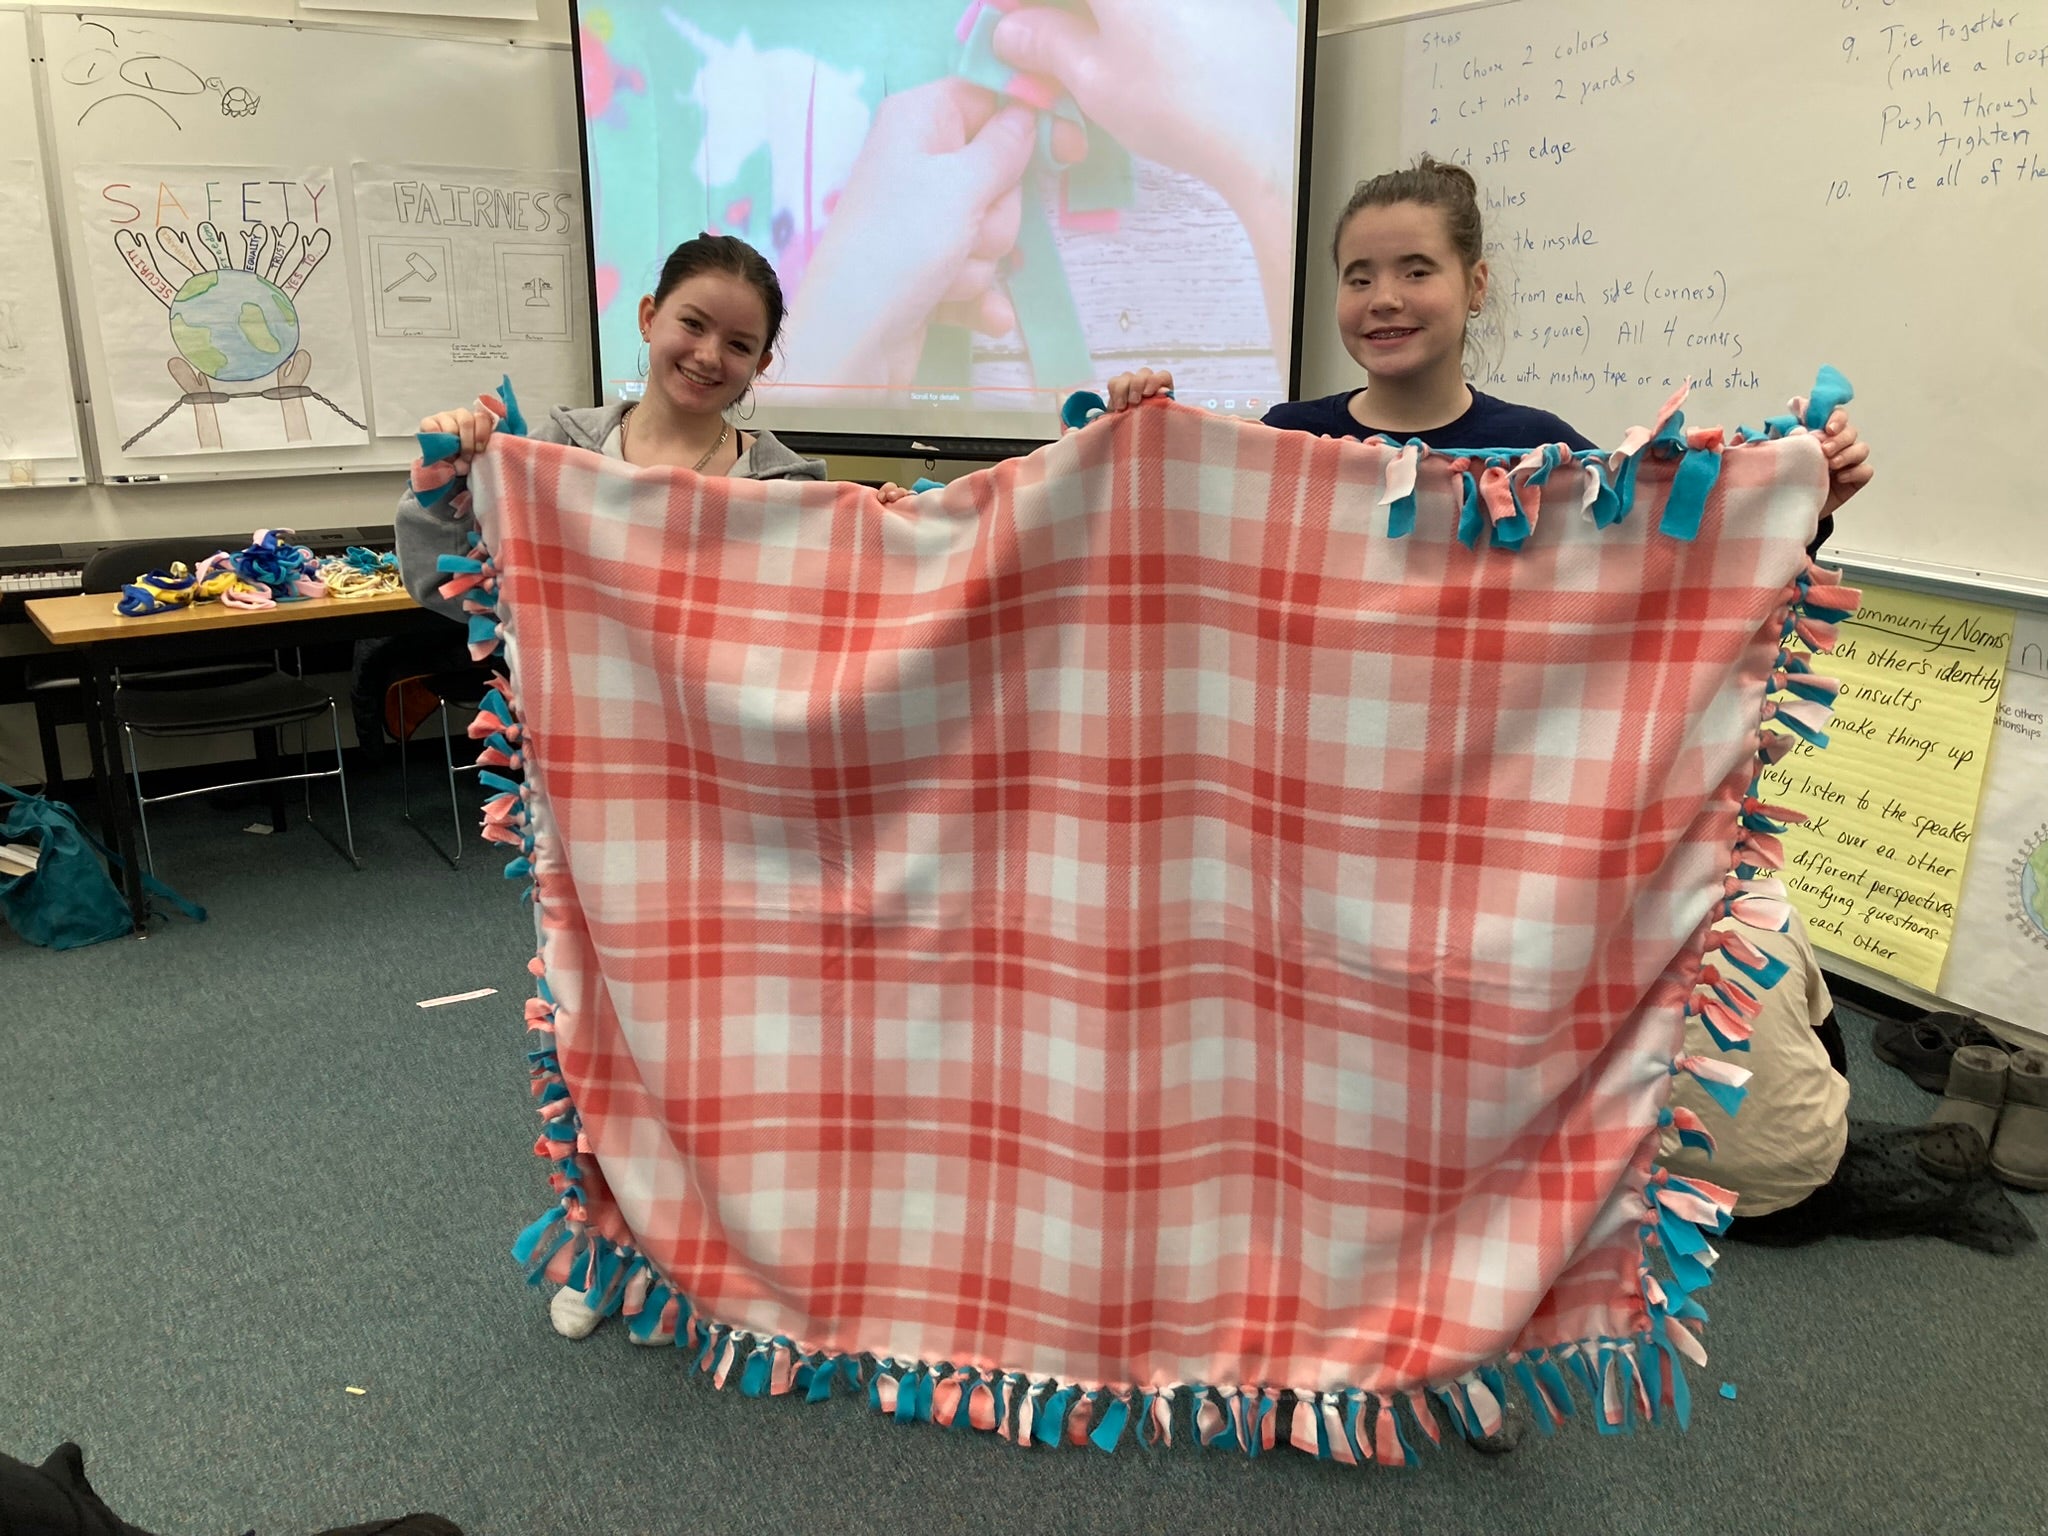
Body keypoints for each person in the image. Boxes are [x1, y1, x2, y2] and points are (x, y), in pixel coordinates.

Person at [1100, 156, 1873, 550]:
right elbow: (1176, 556)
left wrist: (1806, 504)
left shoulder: (1546, 451)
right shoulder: (1287, 436)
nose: (1384, 298)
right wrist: (1133, 435)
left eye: (1416, 271)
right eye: (1358, 276)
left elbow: (1656, 566)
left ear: (1475, 286)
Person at [397, 233, 916, 624]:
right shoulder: (559, 453)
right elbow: (439, 577)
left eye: (738, 345)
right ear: (649, 317)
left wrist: (896, 531)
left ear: (760, 364)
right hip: (587, 751)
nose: (709, 355)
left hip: (729, 759)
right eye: (692, 324)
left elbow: (831, 627)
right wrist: (454, 475)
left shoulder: (790, 493)